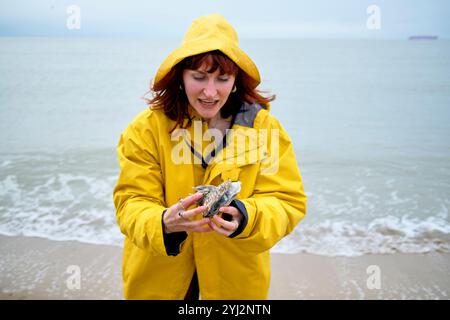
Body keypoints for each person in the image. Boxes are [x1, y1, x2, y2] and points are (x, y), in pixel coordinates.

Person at [113, 13, 307, 300]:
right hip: (158, 277)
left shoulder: (264, 128)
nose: (210, 91)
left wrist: (247, 217)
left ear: (236, 80)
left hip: (236, 281)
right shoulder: (146, 129)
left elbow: (287, 201)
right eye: (199, 77)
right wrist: (164, 222)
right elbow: (131, 203)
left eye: (222, 78)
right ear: (180, 75)